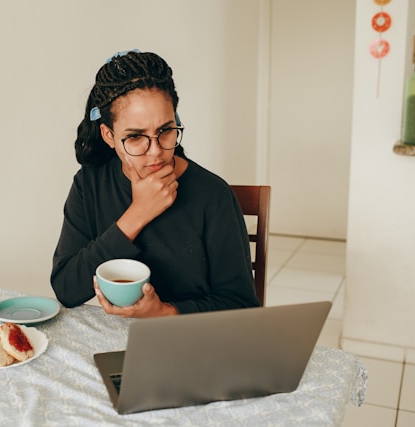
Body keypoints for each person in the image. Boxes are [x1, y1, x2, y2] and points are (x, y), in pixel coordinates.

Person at [51, 49, 259, 318]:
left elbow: (242, 307)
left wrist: (165, 312)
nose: (155, 151)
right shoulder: (89, 184)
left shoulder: (213, 195)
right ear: (109, 135)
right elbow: (66, 288)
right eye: (136, 136)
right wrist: (137, 214)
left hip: (192, 343)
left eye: (165, 131)